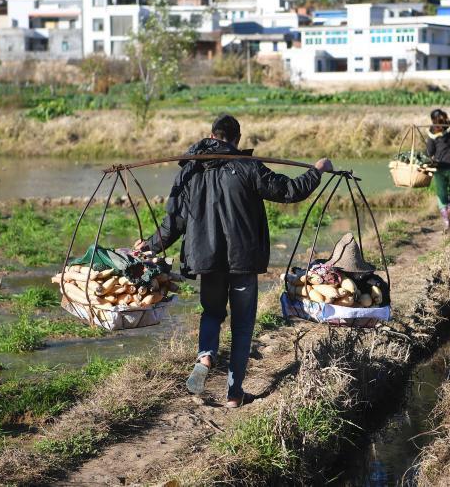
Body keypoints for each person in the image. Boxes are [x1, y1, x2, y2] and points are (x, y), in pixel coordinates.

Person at [137, 114, 331, 408]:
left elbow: (174, 223)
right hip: (243, 260)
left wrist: (149, 245)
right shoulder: (248, 166)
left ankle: (205, 355)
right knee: (242, 327)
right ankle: (233, 394)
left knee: (212, 313)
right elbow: (290, 191)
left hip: (207, 259)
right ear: (237, 139)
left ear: (212, 136)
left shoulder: (190, 171)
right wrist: (317, 170)